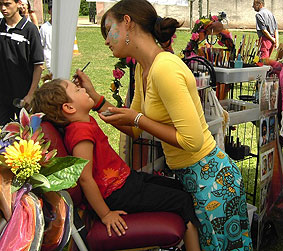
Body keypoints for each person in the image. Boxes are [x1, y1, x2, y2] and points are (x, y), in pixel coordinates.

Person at [74, 0, 253, 250]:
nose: (106, 40)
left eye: (108, 30)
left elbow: (192, 141)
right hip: (192, 177)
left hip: (211, 178)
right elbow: (134, 127)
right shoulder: (142, 69)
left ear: (127, 23)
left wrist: (137, 119)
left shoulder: (164, 69)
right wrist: (97, 100)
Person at [31, 79, 201, 251]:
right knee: (183, 200)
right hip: (118, 193)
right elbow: (85, 178)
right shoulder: (80, 133)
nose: (83, 89)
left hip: (127, 181)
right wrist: (105, 214)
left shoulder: (85, 122)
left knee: (179, 187)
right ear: (69, 108)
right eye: (77, 89)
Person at [0, 0, 44, 125]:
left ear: (18, 3)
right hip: (2, 95)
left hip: (23, 96)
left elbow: (38, 65)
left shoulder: (30, 30)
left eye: (7, 4)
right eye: (0, 4)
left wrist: (31, 94)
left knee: (27, 135)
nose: (3, 8)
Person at [39, 2, 52, 73]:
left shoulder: (63, 26)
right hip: (49, 56)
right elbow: (40, 45)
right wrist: (41, 62)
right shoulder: (44, 28)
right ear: (49, 12)